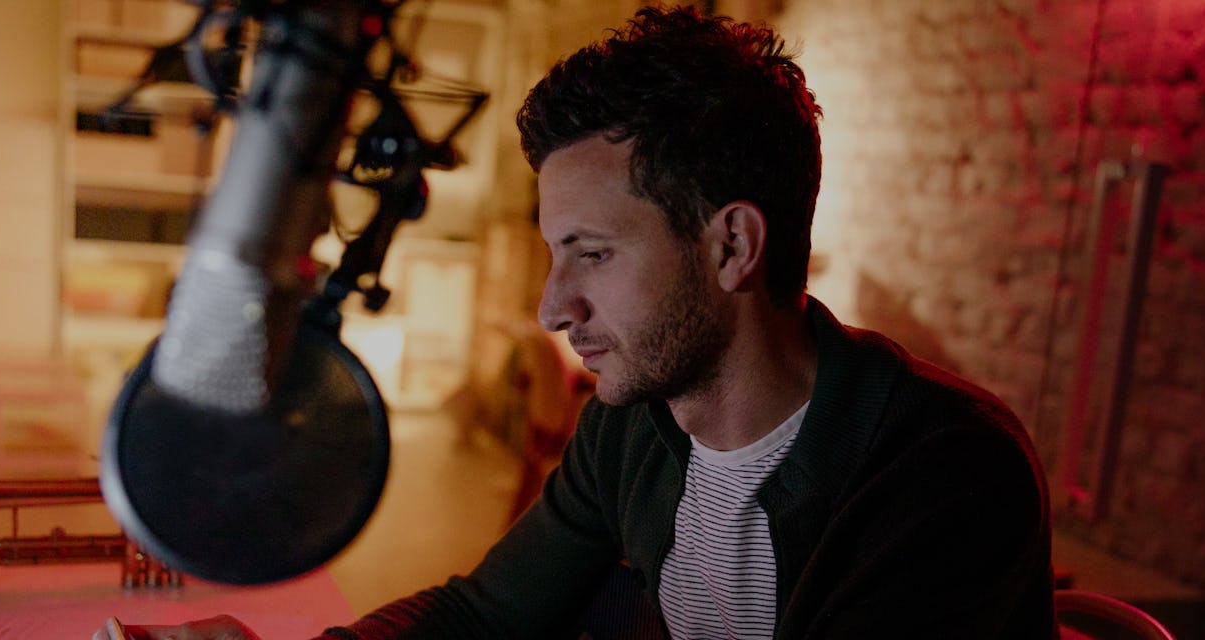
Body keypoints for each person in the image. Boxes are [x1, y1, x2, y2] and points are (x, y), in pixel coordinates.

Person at [108, 6, 1054, 639]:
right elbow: (485, 618)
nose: (552, 308)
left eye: (591, 254)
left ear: (731, 246)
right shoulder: (629, 427)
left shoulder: (945, 476)